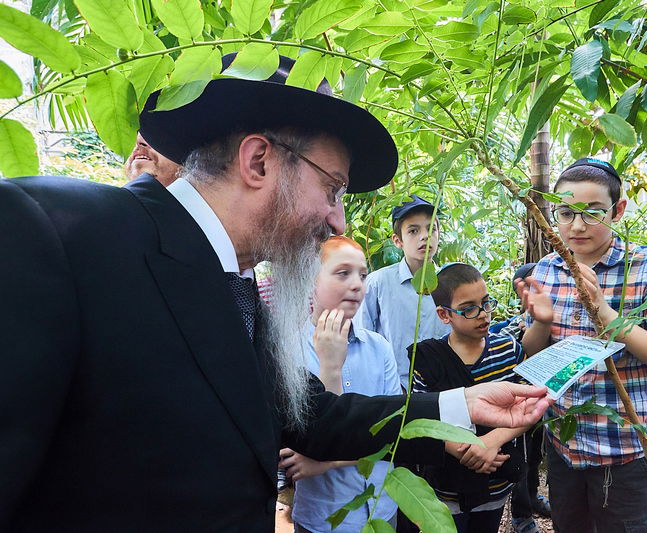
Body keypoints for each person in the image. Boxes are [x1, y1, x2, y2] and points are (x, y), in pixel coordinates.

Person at [0, 52, 553, 532]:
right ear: (259, 161)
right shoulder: (53, 231)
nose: (337, 219)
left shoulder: (236, 286)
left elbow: (306, 415)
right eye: (333, 188)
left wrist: (461, 403)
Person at [519, 158, 647, 533]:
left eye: (592, 212)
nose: (577, 225)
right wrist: (542, 321)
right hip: (564, 446)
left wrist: (604, 311)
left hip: (626, 452)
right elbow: (534, 351)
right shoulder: (548, 268)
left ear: (617, 210)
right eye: (565, 213)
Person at [279, 236, 401, 532]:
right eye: (343, 273)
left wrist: (326, 462)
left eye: (362, 274)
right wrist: (330, 367)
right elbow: (291, 444)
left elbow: (394, 434)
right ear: (311, 281)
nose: (357, 284)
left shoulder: (379, 347)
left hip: (381, 509)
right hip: (322, 517)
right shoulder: (288, 350)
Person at [412, 263, 531, 533]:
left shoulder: (508, 350)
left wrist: (492, 442)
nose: (483, 315)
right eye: (468, 309)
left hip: (497, 479)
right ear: (444, 314)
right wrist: (467, 450)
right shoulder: (428, 361)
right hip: (447, 486)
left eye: (486, 303)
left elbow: (529, 406)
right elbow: (420, 420)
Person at [355, 195, 450, 388]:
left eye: (431, 229)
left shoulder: (450, 282)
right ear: (398, 241)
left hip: (442, 388)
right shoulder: (379, 283)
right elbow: (362, 338)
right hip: (393, 387)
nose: (425, 236)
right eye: (413, 231)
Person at [502, 263, 550, 533]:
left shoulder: (551, 318)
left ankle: (533, 499)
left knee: (534, 455)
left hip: (544, 400)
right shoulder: (512, 328)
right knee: (521, 456)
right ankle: (521, 515)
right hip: (521, 401)